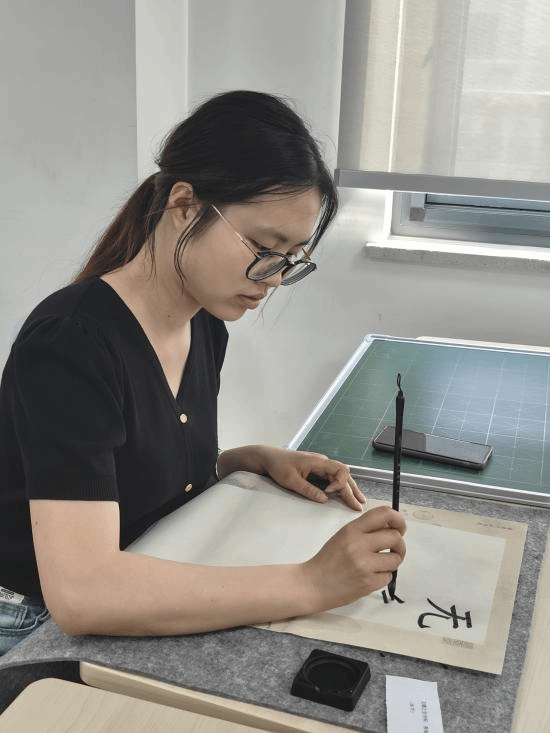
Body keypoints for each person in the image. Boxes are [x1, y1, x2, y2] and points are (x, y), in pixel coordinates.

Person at [0, 90, 406, 655]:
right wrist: (312, 582)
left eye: (291, 259)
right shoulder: (72, 344)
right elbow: (81, 591)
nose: (272, 278)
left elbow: (130, 475)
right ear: (185, 205)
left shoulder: (205, 322)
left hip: (145, 569)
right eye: (263, 247)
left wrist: (245, 460)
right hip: (33, 619)